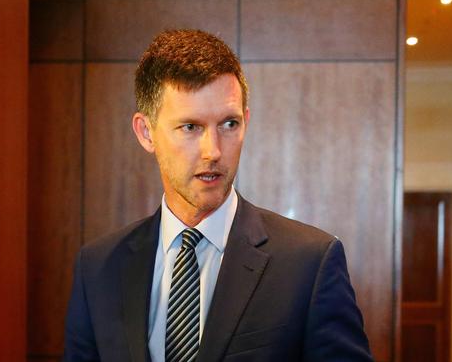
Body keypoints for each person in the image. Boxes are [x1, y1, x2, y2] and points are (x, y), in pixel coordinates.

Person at [64, 29, 372, 362]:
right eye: (190, 127)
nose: (213, 151)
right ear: (146, 132)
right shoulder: (97, 268)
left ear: (246, 122)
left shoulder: (310, 264)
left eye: (229, 124)